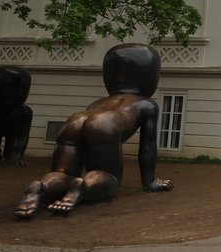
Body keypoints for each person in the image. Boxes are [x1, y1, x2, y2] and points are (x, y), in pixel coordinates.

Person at [14, 43, 172, 218]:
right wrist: (149, 181)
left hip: (75, 120)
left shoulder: (97, 103)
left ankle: (41, 187)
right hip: (104, 125)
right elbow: (147, 148)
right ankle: (83, 186)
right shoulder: (147, 105)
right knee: (108, 177)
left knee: (62, 172)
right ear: (151, 76)